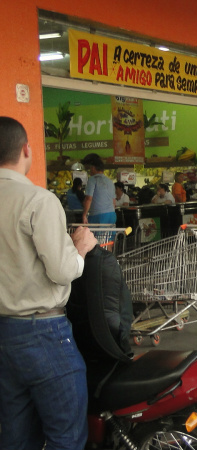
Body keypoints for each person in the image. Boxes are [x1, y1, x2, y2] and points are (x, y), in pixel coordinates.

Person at [0, 116, 98, 450]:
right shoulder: (38, 200)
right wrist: (80, 249)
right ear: (26, 149)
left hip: (3, 333)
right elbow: (61, 270)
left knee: (14, 436)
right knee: (66, 435)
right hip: (43, 333)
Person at [81, 153, 116, 224]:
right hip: (112, 215)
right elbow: (114, 201)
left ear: (93, 168)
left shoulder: (92, 179)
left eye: (90, 168)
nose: (90, 170)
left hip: (98, 216)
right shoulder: (110, 181)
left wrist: (84, 215)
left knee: (95, 235)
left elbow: (88, 199)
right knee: (109, 235)